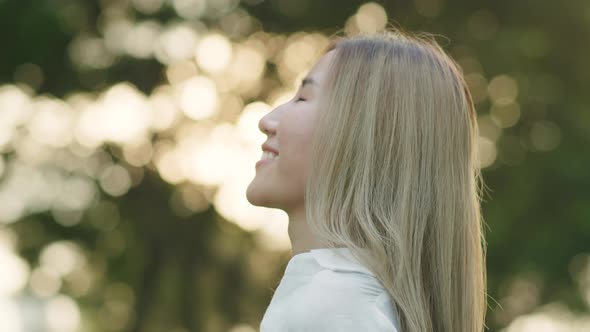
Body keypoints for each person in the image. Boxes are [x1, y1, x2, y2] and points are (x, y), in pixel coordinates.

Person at [246, 28, 487, 332]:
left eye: (303, 97)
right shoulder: (344, 303)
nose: (266, 121)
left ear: (367, 139)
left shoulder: (328, 308)